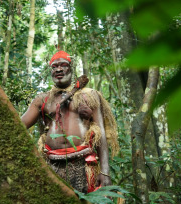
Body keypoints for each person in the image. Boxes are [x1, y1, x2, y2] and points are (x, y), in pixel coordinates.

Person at [21, 51, 119, 194]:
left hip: (84, 164)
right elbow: (19, 125)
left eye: (63, 65)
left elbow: (100, 132)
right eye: (54, 67)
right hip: (52, 164)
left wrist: (104, 172)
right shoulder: (43, 100)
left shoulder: (89, 95)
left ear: (71, 69)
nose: (59, 69)